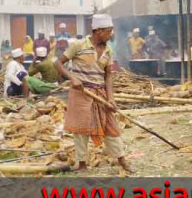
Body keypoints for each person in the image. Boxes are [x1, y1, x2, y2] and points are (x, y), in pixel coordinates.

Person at [54, 14, 133, 173]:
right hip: (81, 93)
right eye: (109, 31)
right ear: (98, 31)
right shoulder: (78, 45)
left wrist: (111, 98)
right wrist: (72, 78)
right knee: (81, 130)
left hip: (100, 94)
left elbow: (108, 76)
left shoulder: (108, 50)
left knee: (111, 127)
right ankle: (82, 164)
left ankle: (122, 161)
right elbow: (58, 63)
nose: (111, 34)